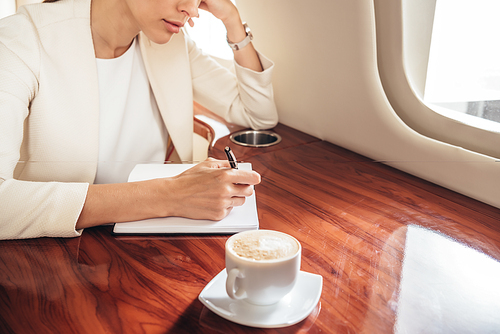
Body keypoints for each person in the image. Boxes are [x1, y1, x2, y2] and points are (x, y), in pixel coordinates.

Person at [0, 0, 278, 240]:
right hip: (50, 257)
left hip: (149, 242)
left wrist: (232, 19)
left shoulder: (173, 46)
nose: (192, 11)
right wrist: (169, 195)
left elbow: (258, 114)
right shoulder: (20, 39)